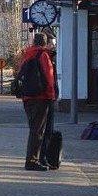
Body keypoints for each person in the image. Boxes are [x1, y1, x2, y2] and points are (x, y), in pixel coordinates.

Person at [19, 32, 56, 171]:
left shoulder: (27, 54)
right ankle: (32, 161)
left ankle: (33, 159)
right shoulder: (42, 55)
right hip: (41, 98)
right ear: (44, 43)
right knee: (38, 131)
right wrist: (51, 96)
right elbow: (49, 78)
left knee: (33, 128)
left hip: (27, 97)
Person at [40, 33, 59, 168]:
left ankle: (42, 157)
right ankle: (43, 157)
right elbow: (48, 79)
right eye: (51, 43)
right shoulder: (44, 58)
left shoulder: (48, 57)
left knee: (45, 130)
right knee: (46, 130)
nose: (54, 46)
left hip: (46, 97)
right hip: (46, 98)